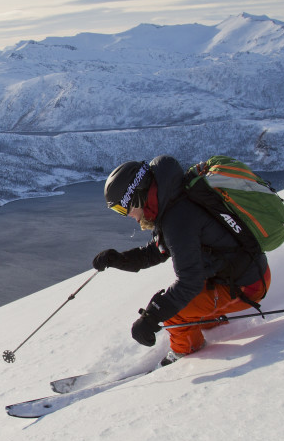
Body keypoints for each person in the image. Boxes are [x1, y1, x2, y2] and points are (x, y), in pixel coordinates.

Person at [93, 156, 271, 366]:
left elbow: (189, 282)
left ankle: (186, 356)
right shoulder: (173, 201)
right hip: (239, 273)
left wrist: (152, 316)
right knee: (177, 302)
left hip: (246, 285)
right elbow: (156, 251)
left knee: (175, 312)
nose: (126, 215)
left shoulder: (178, 219)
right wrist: (118, 259)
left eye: (123, 209)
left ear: (137, 195)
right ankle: (213, 323)